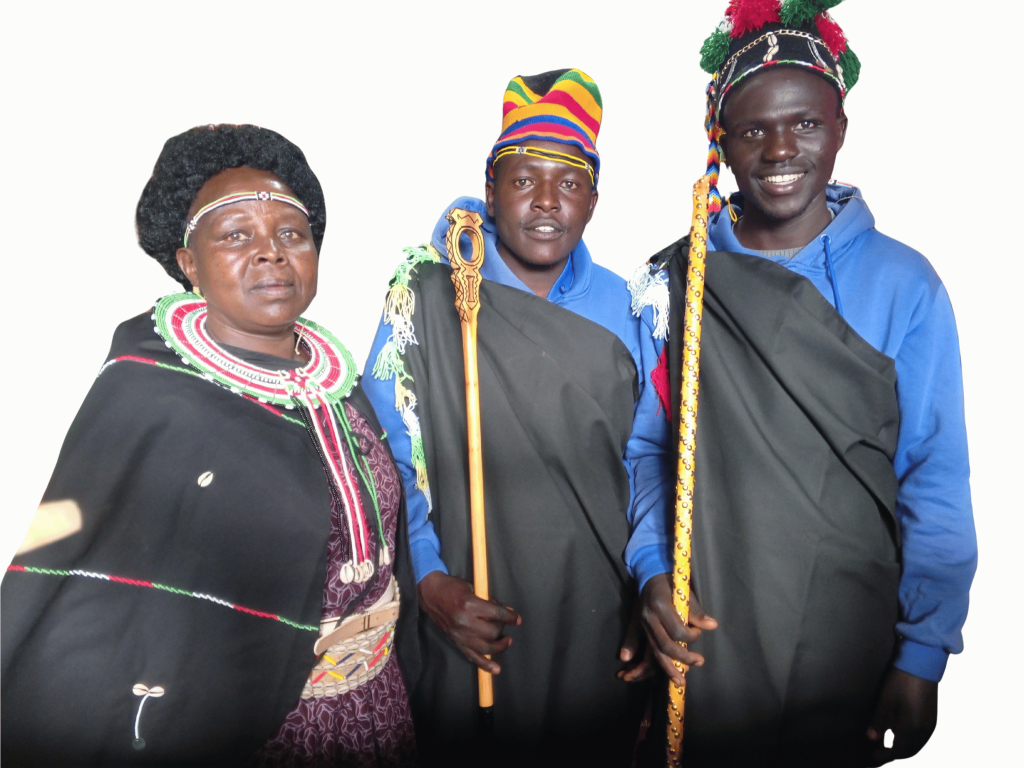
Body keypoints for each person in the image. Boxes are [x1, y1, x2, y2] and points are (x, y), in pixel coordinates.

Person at [1, 124, 417, 767]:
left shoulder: (339, 385)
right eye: (236, 236)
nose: (271, 253)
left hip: (376, 711)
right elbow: (102, 591)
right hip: (247, 730)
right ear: (189, 264)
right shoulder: (153, 397)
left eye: (291, 234)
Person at [628, 2, 977, 765]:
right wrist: (653, 571)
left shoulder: (905, 285)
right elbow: (649, 454)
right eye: (752, 129)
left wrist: (923, 654)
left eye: (806, 124)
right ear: (718, 142)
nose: (781, 148)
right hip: (710, 634)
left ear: (841, 127)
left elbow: (935, 476)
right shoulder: (676, 281)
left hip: (847, 639)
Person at [362, 69, 654, 766]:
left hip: (596, 611)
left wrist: (649, 589)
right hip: (466, 608)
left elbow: (649, 458)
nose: (547, 203)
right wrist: (428, 577)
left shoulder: (632, 305)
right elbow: (388, 448)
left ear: (593, 200)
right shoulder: (429, 293)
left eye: (570, 182)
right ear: (491, 190)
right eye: (524, 181)